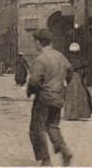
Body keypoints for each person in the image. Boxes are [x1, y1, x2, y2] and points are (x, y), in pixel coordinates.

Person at [27, 28, 73, 167]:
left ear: (38, 43)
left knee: (37, 128)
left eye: (34, 42)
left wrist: (31, 90)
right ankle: (64, 150)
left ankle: (45, 160)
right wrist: (60, 86)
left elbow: (34, 80)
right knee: (52, 126)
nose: (34, 45)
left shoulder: (40, 59)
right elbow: (70, 72)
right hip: (58, 97)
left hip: (43, 98)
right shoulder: (60, 56)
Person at [63, 42, 92, 120]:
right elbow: (85, 70)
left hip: (69, 78)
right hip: (78, 77)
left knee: (69, 96)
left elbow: (64, 69)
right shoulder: (81, 58)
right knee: (80, 95)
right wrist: (82, 77)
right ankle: (80, 113)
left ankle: (70, 114)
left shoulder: (67, 59)